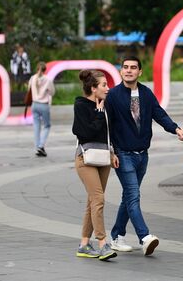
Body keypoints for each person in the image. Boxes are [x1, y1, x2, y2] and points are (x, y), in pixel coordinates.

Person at [106, 56, 183, 256]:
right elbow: (106, 126)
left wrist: (175, 129)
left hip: (142, 155)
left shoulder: (146, 93)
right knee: (133, 196)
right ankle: (145, 237)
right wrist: (111, 151)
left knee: (128, 197)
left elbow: (159, 114)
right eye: (125, 67)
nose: (129, 70)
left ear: (140, 71)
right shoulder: (113, 96)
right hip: (123, 154)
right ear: (121, 71)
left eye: (133, 67)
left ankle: (116, 236)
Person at [73, 69, 119, 260]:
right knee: (99, 199)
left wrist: (112, 152)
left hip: (103, 158)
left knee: (92, 202)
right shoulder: (81, 105)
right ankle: (102, 244)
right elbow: (84, 133)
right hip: (85, 159)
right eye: (103, 85)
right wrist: (99, 114)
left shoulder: (105, 107)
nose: (108, 89)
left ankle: (84, 244)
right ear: (93, 88)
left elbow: (108, 134)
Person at [28, 62, 55, 157]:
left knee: (36, 126)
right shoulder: (47, 79)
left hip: (34, 104)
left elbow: (29, 90)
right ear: (45, 70)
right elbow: (52, 92)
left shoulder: (32, 78)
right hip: (44, 105)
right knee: (47, 125)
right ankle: (41, 145)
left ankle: (37, 147)